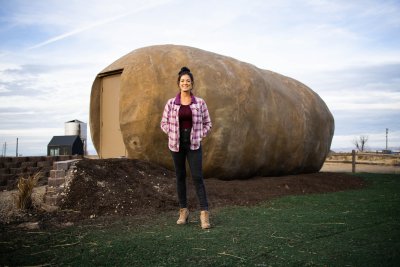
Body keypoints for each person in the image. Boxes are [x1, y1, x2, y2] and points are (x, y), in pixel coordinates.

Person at [160, 66, 212, 229]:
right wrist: (172, 133)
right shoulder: (171, 103)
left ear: (192, 84)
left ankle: (204, 214)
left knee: (197, 177)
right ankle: (184, 211)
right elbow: (163, 123)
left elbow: (208, 123)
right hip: (176, 144)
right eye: (182, 81)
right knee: (180, 177)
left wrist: (200, 134)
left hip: (194, 144)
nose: (185, 83)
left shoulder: (200, 103)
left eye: (188, 81)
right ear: (178, 83)